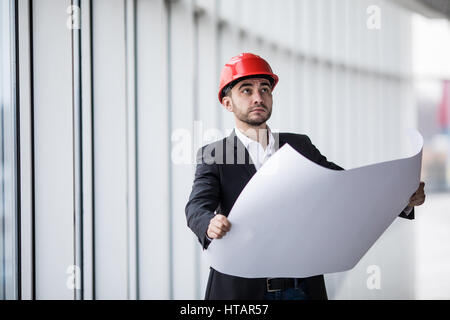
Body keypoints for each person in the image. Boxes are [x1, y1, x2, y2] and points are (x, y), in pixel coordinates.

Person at [185, 53, 426, 300]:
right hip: (243, 290)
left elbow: (348, 187)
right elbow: (195, 207)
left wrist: (402, 200)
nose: (258, 98)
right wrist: (209, 224)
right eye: (246, 90)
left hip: (302, 288)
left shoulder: (299, 145)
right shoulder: (216, 154)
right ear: (228, 103)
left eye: (264, 89)